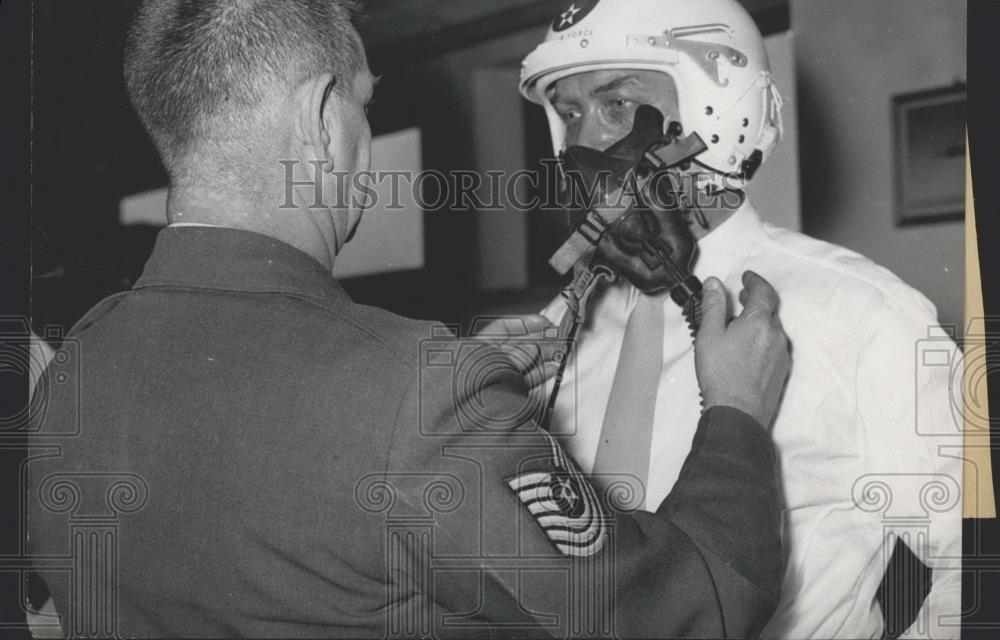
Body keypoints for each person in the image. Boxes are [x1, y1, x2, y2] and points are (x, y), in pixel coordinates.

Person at [26, 1, 793, 637]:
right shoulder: (422, 400)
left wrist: (453, 391)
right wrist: (737, 414)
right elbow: (691, 611)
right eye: (364, 104)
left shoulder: (74, 369)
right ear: (321, 119)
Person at [520, 0, 962, 638]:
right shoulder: (555, 332)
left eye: (617, 104)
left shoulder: (861, 315)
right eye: (569, 113)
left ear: (720, 109)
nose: (583, 143)